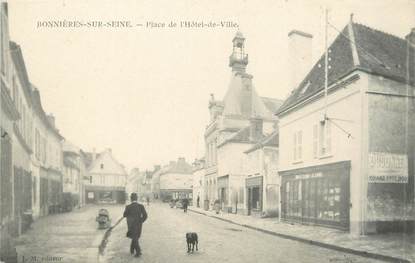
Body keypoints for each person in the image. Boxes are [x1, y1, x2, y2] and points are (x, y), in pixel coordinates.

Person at [123, 193, 148, 257]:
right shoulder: (141, 206)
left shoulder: (128, 207)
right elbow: (145, 216)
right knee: (136, 237)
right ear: (137, 198)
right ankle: (132, 249)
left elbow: (124, 215)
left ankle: (138, 252)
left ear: (131, 199)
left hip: (131, 224)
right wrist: (141, 221)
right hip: (139, 224)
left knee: (134, 237)